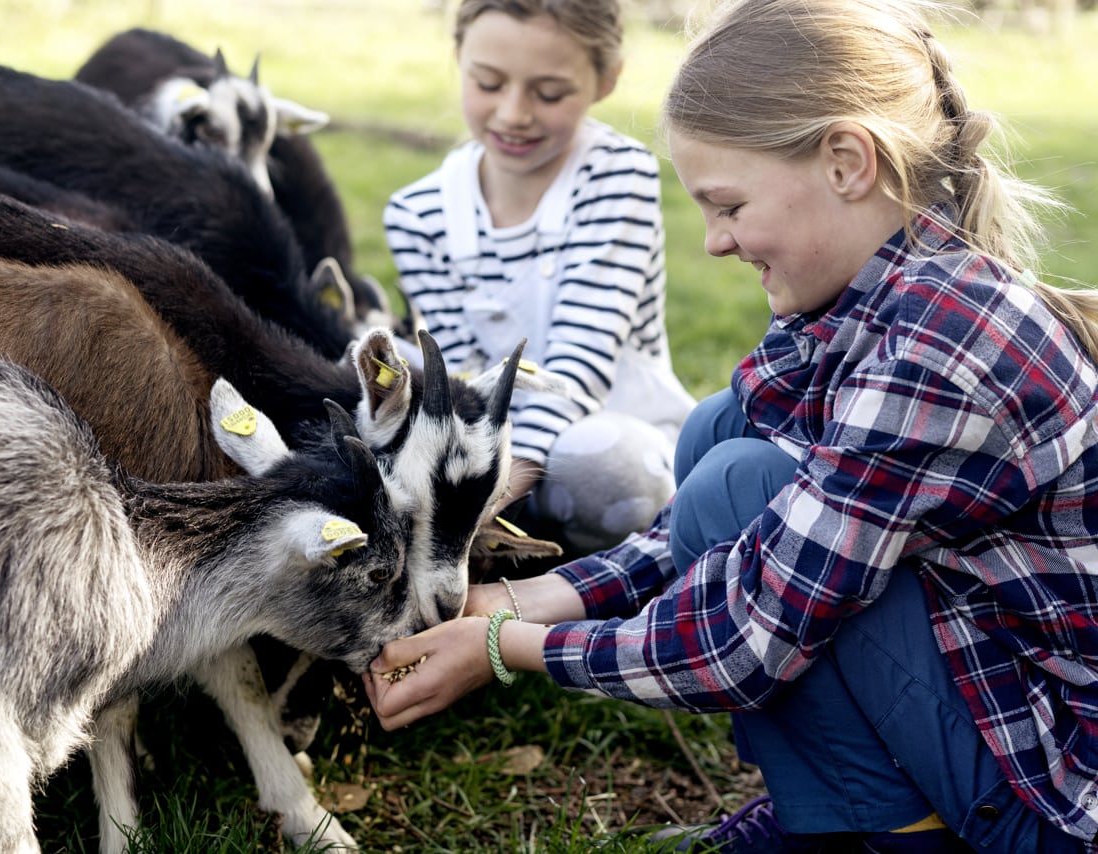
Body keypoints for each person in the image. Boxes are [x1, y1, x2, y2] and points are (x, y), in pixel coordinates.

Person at [363, 0, 1098, 851]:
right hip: (990, 703)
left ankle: (896, 835)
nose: (714, 242)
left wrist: (505, 646)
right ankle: (831, 812)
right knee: (721, 435)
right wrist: (528, 597)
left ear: (846, 163)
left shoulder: (943, 347)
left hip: (1050, 799)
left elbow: (743, 642)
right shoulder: (862, 302)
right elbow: (737, 533)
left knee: (735, 484)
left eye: (730, 205)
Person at [383, 0, 697, 555]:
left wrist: (489, 497)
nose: (513, 114)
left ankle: (621, 558)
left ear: (606, 78)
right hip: (495, 446)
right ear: (459, 58)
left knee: (606, 469)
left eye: (549, 93)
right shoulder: (418, 215)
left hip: (612, 432)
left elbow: (582, 359)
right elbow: (464, 381)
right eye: (488, 83)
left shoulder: (617, 175)